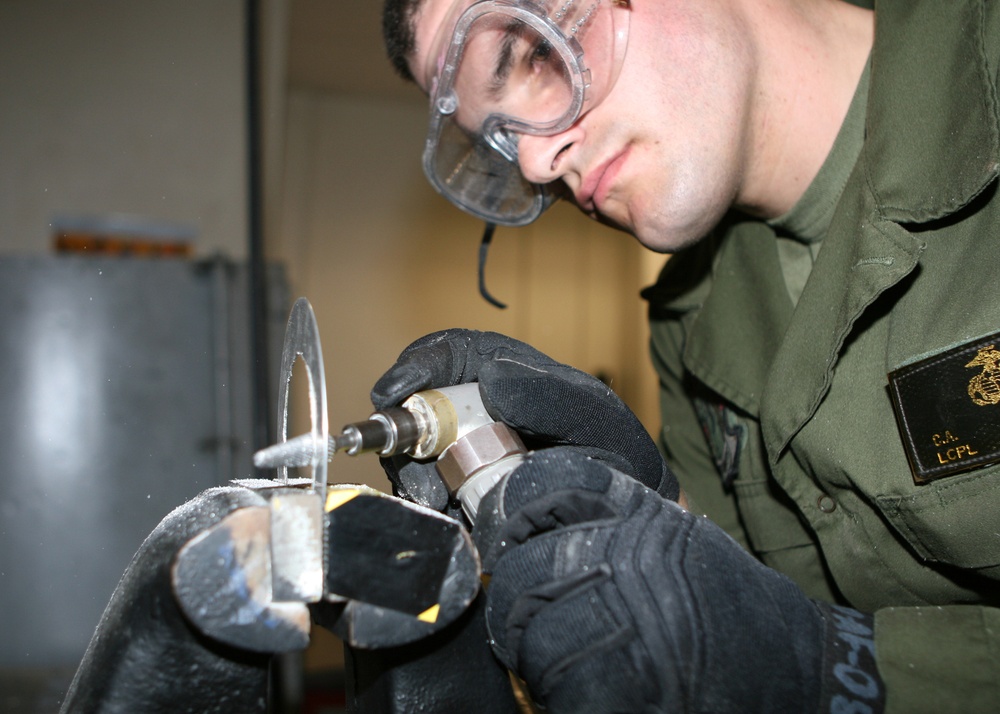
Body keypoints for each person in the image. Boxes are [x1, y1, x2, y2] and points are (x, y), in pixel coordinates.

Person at [375, 0, 1000, 711]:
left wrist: (843, 671)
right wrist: (659, 509)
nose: (535, 159)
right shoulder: (690, 322)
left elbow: (802, 647)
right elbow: (753, 602)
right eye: (499, 136)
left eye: (535, 56)